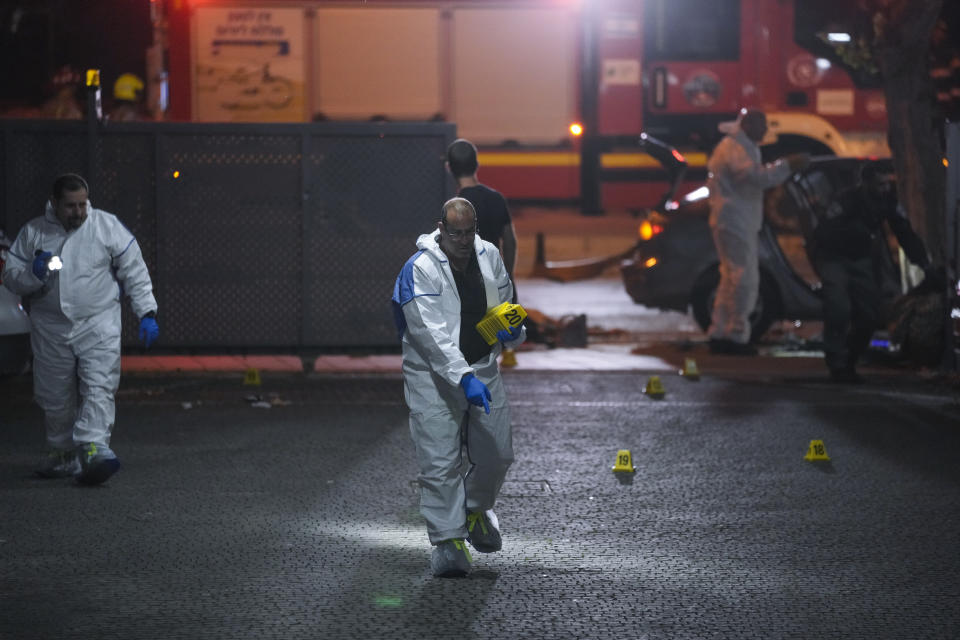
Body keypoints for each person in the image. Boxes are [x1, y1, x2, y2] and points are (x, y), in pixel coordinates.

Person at [391, 197, 525, 577]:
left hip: (482, 368)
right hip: (431, 379)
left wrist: (513, 330)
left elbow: (502, 304)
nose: (464, 240)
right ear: (441, 228)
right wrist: (462, 376)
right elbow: (430, 335)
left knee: (498, 453)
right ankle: (448, 541)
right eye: (456, 233)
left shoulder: (489, 256)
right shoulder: (419, 269)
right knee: (439, 462)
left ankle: (475, 508)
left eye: (470, 232)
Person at [1, 173, 159, 484]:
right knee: (54, 394)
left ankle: (93, 448)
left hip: (98, 321)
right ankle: (62, 454)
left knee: (99, 384)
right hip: (50, 326)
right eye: (71, 206)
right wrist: (34, 274)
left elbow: (134, 269)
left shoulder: (105, 226)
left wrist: (148, 311)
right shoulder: (34, 232)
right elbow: (11, 278)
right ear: (54, 203)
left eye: (82, 204)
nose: (78, 212)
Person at [810, 164, 929, 383]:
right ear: (865, 183)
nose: (884, 188)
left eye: (887, 183)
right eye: (879, 184)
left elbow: (903, 231)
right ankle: (837, 364)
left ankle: (850, 361)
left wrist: (923, 263)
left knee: (869, 315)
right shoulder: (845, 201)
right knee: (838, 307)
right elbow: (823, 231)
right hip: (834, 256)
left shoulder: (887, 201)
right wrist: (852, 232)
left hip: (860, 259)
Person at [706, 108, 809, 355]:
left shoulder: (734, 146)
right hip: (736, 221)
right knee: (744, 279)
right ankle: (736, 335)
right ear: (748, 125)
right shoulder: (737, 149)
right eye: (761, 125)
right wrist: (787, 166)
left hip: (730, 221)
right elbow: (755, 178)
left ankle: (720, 331)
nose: (765, 131)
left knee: (730, 277)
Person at [446, 138, 520, 366]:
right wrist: (507, 274)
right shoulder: (496, 198)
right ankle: (508, 351)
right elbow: (510, 240)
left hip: (470, 283)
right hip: (495, 276)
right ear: (477, 164)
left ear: (449, 168)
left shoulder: (455, 206)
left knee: (473, 348)